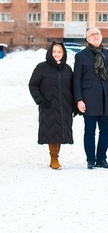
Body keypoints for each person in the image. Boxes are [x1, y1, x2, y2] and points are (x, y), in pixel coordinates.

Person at [73, 27, 108, 169]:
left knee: (106, 131)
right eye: (92, 34)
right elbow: (76, 79)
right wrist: (79, 99)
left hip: (107, 98)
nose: (96, 36)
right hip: (89, 99)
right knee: (90, 131)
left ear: (102, 36)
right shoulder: (81, 56)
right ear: (87, 39)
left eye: (98, 34)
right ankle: (91, 160)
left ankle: (101, 159)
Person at [29, 42, 75, 170]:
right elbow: (32, 85)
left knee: (60, 131)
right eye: (54, 51)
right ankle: (54, 158)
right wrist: (40, 100)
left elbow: (72, 87)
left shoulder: (67, 69)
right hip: (48, 105)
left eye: (59, 52)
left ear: (63, 53)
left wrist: (74, 104)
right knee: (52, 131)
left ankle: (56, 156)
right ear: (50, 52)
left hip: (65, 106)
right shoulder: (42, 68)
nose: (57, 54)